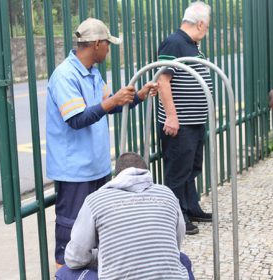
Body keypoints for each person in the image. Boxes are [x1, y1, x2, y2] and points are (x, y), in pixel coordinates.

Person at [46, 17, 158, 268]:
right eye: (107, 44)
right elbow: (76, 119)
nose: (109, 49)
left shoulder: (92, 73)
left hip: (95, 166)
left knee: (95, 230)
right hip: (74, 171)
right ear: (96, 44)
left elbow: (108, 106)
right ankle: (64, 274)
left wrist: (137, 96)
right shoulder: (65, 75)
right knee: (70, 231)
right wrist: (112, 101)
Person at [55, 152, 195, 280]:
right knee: (183, 260)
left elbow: (75, 258)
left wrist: (99, 256)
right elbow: (176, 243)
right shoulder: (167, 194)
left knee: (65, 272)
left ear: (116, 176)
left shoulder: (95, 200)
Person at [157, 1, 213, 235]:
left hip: (194, 121)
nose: (207, 31)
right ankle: (176, 216)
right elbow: (162, 80)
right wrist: (171, 116)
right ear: (200, 23)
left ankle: (191, 207)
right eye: (207, 26)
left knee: (191, 168)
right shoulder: (174, 42)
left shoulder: (190, 44)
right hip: (180, 123)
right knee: (178, 171)